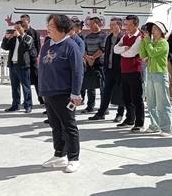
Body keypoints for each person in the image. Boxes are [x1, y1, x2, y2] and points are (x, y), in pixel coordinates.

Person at [39, 14, 84, 173]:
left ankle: (74, 158)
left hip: (64, 93)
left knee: (68, 125)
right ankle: (60, 154)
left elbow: (77, 71)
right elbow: (42, 67)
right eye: (48, 25)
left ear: (62, 29)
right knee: (55, 125)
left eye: (52, 26)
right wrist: (42, 90)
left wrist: (76, 93)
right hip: (49, 91)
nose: (48, 28)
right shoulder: (47, 44)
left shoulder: (70, 46)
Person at [139, 21, 172, 136]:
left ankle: (167, 128)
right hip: (150, 73)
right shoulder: (151, 43)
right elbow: (143, 55)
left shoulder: (163, 43)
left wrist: (147, 41)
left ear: (161, 31)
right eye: (152, 28)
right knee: (151, 102)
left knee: (162, 102)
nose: (152, 31)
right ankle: (155, 125)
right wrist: (143, 42)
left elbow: (152, 53)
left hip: (160, 74)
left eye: (155, 29)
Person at [89, 17, 125, 122]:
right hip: (108, 69)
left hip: (119, 69)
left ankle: (120, 114)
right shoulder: (109, 38)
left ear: (119, 26)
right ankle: (101, 112)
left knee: (120, 92)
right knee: (106, 91)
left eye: (114, 25)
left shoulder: (123, 38)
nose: (111, 27)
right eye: (110, 25)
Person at [113, 14, 144, 131]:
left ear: (136, 25)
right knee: (126, 98)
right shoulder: (125, 37)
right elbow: (115, 49)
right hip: (124, 71)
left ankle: (139, 122)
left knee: (136, 98)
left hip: (135, 71)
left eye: (130, 25)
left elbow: (132, 53)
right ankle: (129, 119)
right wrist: (124, 49)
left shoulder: (139, 37)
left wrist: (122, 51)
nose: (128, 27)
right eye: (127, 25)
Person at [1, 21, 37, 113]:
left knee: (26, 86)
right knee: (15, 87)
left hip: (23, 65)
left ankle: (28, 105)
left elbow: (25, 47)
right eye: (15, 28)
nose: (16, 30)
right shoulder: (13, 39)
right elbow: (4, 47)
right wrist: (6, 38)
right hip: (13, 65)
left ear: (23, 28)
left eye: (18, 28)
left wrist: (19, 37)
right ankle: (15, 105)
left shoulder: (28, 38)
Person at [81, 17, 107, 113]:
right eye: (89, 24)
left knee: (102, 86)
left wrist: (93, 58)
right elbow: (84, 49)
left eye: (92, 24)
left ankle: (104, 108)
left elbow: (102, 49)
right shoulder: (87, 37)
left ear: (98, 24)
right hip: (89, 64)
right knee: (90, 86)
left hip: (100, 63)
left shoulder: (104, 36)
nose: (90, 26)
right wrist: (88, 58)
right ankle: (90, 106)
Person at [21, 14, 42, 108]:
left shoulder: (34, 33)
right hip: (23, 60)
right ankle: (27, 100)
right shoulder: (20, 33)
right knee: (25, 81)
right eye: (21, 21)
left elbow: (38, 46)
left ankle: (41, 99)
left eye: (24, 21)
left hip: (32, 59)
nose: (22, 23)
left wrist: (34, 55)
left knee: (37, 79)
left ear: (28, 21)